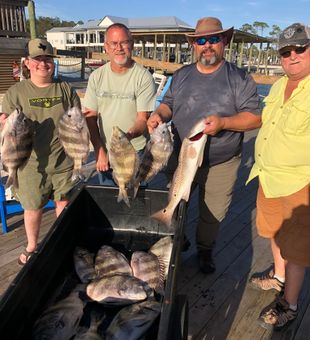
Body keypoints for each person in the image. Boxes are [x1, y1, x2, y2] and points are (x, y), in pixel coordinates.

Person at [147, 17, 261, 274]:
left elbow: (255, 118)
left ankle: (205, 249)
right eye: (201, 40)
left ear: (224, 42)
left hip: (222, 161)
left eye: (213, 39)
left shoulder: (240, 79)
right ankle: (177, 239)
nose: (207, 45)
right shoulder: (182, 75)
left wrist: (224, 122)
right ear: (194, 45)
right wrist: (159, 115)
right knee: (177, 201)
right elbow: (169, 104)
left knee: (213, 212)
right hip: (183, 156)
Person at [247, 22, 310, 330]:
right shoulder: (276, 85)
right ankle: (279, 277)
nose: (292, 56)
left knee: (297, 246)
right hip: (268, 177)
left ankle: (291, 303)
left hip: (300, 184)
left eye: (300, 48)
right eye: (286, 52)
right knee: (274, 233)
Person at [0, 38, 81, 265]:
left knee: (63, 202)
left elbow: (77, 119)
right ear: (27, 63)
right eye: (38, 60)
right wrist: (4, 123)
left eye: (47, 59)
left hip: (62, 158)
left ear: (53, 62)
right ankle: (32, 246)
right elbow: (5, 125)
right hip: (28, 161)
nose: (43, 64)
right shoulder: (16, 92)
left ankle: (63, 241)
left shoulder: (65, 89)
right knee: (32, 206)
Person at [82, 23, 156, 178]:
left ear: (132, 45)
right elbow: (90, 116)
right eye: (114, 43)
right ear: (106, 47)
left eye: (124, 42)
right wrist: (99, 150)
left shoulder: (143, 77)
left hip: (135, 150)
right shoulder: (97, 76)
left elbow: (143, 119)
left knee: (135, 195)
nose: (119, 48)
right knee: (107, 200)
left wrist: (127, 136)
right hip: (106, 151)